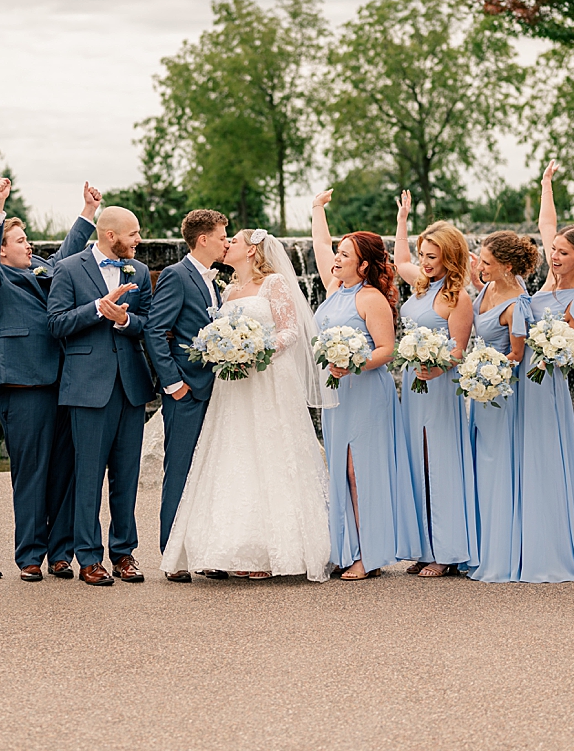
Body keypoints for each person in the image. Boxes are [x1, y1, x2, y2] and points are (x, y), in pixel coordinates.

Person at [161, 229, 333, 580]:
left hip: (268, 378)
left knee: (272, 454)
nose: (227, 245)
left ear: (252, 251)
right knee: (234, 456)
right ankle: (238, 549)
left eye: (233, 241)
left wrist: (256, 350)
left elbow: (291, 330)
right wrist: (226, 351)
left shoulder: (274, 284)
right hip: (233, 384)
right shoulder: (227, 290)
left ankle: (276, 552)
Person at [0, 179, 100, 581]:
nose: (29, 245)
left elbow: (67, 255)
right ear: (2, 249)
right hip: (23, 387)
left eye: (28, 239)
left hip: (64, 383)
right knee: (31, 474)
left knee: (65, 472)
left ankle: (61, 553)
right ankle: (30, 555)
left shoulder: (45, 272)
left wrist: (89, 213)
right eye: (21, 240)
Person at [310, 191, 416, 581]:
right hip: (336, 395)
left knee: (360, 471)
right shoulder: (334, 288)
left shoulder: (371, 299)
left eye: (345, 255)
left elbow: (386, 350)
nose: (337, 259)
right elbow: (320, 244)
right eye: (338, 253)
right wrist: (318, 210)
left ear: (364, 264)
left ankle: (367, 555)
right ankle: (345, 547)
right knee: (340, 468)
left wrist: (352, 363)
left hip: (366, 391)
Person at [46, 206, 155, 587]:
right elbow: (55, 323)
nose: (138, 240)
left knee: (126, 476)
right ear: (111, 235)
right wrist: (97, 309)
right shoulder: (69, 268)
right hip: (87, 388)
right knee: (87, 476)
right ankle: (88, 557)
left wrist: (125, 320)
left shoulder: (138, 272)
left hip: (130, 386)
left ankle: (124, 553)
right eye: (133, 233)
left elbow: (148, 324)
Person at [504, 164, 574, 582]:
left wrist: (550, 353)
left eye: (562, 253)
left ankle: (550, 547)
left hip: (545, 385)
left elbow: (572, 351)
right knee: (521, 458)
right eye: (553, 250)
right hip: (521, 381)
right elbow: (547, 223)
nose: (554, 256)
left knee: (544, 460)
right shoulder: (545, 286)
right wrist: (545, 186)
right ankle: (520, 542)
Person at [392, 194, 477, 578]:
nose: (424, 262)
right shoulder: (421, 285)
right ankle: (425, 546)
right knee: (417, 462)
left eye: (432, 256)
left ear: (450, 257)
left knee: (438, 463)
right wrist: (403, 219)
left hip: (440, 387)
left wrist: (438, 368)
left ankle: (447, 550)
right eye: (423, 254)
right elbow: (399, 260)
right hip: (413, 385)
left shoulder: (457, 297)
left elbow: (459, 350)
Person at [144, 208, 231, 580]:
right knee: (179, 471)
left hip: (219, 394)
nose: (227, 242)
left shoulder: (216, 281)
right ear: (204, 239)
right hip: (187, 393)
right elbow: (154, 331)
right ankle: (174, 556)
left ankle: (208, 551)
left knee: (211, 474)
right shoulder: (176, 276)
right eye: (223, 236)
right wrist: (174, 384)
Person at [467, 230, 541, 583]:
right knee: (480, 463)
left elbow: (516, 354)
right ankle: (477, 545)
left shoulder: (517, 305)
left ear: (507, 267)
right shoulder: (487, 286)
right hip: (479, 391)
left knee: (497, 465)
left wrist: (486, 372)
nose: (479, 266)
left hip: (497, 394)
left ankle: (500, 552)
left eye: (486, 262)